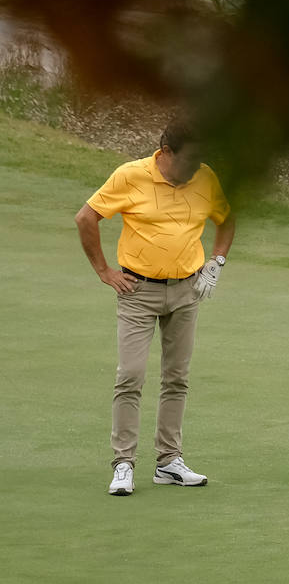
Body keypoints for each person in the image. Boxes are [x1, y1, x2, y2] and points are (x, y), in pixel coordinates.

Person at [75, 119, 236, 496]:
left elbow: (227, 220)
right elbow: (86, 217)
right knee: (130, 376)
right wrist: (104, 271)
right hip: (138, 291)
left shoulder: (205, 177)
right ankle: (123, 463)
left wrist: (216, 262)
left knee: (176, 378)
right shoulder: (131, 176)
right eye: (190, 160)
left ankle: (169, 462)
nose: (196, 168)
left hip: (186, 289)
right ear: (166, 153)